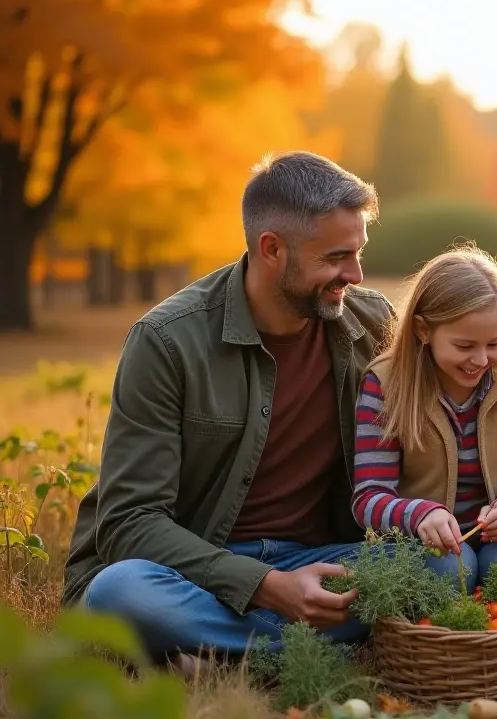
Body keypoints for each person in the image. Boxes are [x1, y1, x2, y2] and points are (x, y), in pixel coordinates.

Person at [62, 151, 394, 672]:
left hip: (316, 561)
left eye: (357, 254)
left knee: (448, 564)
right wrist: (264, 586)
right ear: (271, 249)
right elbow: (129, 521)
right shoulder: (167, 341)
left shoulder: (372, 325)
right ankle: (302, 649)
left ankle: (215, 656)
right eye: (335, 257)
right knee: (119, 592)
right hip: (186, 570)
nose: (353, 274)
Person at [352, 247, 497, 588]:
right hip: (423, 545)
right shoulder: (386, 385)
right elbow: (368, 498)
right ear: (422, 330)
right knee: (452, 569)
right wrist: (419, 515)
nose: (480, 359)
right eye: (464, 346)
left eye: (494, 343)